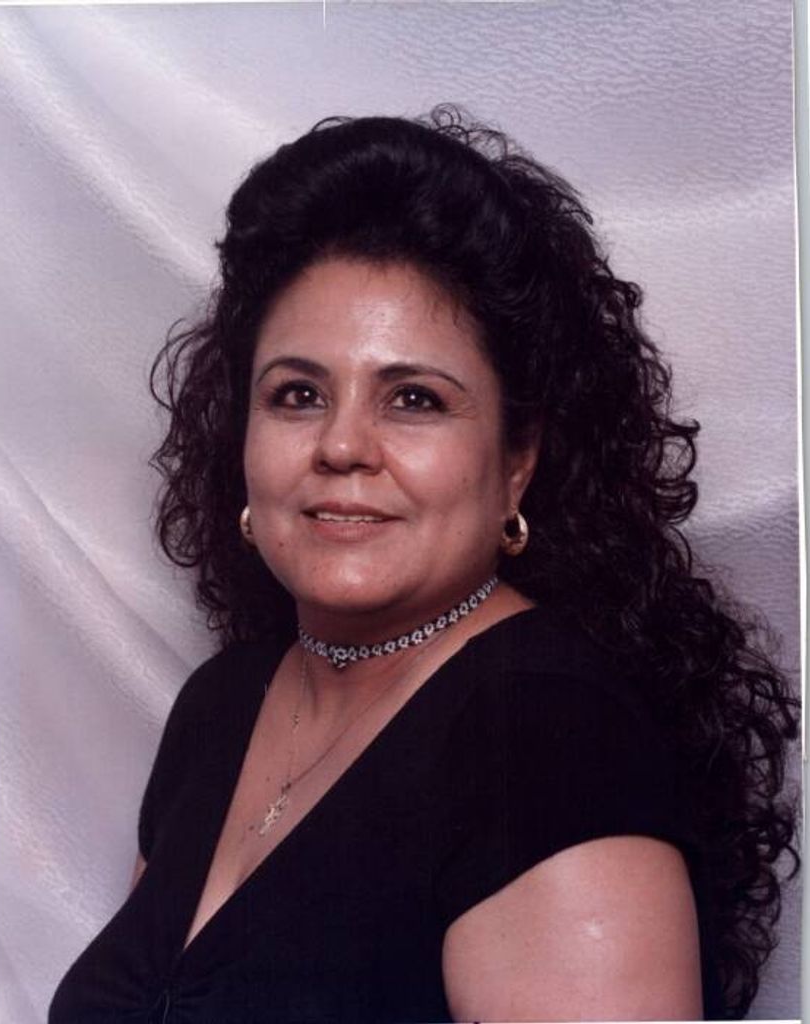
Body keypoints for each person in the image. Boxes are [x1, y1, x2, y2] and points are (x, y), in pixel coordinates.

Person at [49, 106, 799, 1023]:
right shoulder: (221, 707)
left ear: (516, 461)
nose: (341, 446)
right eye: (297, 394)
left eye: (413, 399)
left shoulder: (549, 744)